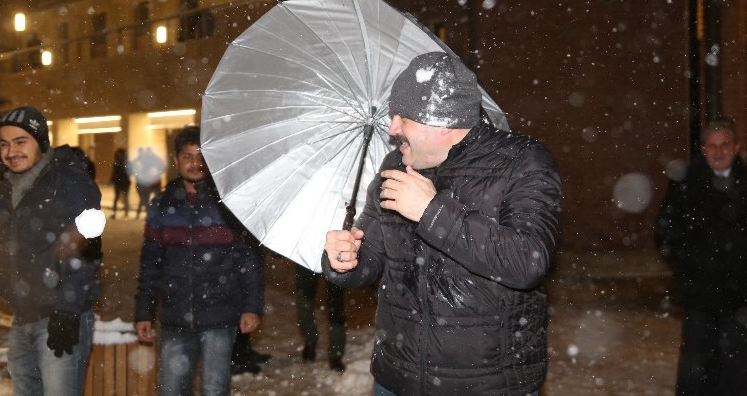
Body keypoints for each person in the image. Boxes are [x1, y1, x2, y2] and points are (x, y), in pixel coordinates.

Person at [322, 52, 561, 395]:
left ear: (443, 123)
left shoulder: (522, 163)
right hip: (396, 379)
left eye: (402, 118)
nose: (392, 129)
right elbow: (372, 256)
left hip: (487, 386)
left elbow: (528, 262)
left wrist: (431, 210)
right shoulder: (395, 164)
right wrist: (345, 260)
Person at [0, 106, 103, 395]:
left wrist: (67, 312)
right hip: (22, 319)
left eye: (20, 141)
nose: (10, 151)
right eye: (4, 144)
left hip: (60, 317)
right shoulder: (5, 191)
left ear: (40, 142)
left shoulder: (68, 183)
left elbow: (85, 253)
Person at [134, 125, 264, 396]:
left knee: (214, 390)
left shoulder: (229, 204)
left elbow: (248, 260)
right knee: (171, 390)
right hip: (175, 318)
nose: (195, 163)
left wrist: (252, 306)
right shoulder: (162, 206)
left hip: (220, 317)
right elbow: (150, 263)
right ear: (176, 160)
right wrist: (144, 311)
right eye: (187, 156)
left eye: (201, 156)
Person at [656, 119, 747, 395]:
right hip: (701, 292)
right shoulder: (686, 183)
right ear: (703, 149)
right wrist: (689, 263)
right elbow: (666, 229)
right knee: (697, 364)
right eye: (712, 146)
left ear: (736, 147)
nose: (718, 153)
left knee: (736, 365)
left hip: (741, 295)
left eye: (724, 145)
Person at [294, 263, 346, 371]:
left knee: (336, 303)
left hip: (335, 255)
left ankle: (336, 352)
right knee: (304, 299)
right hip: (307, 255)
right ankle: (310, 340)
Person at [131, 147, 164, 218]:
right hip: (150, 183)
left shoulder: (148, 160)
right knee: (145, 200)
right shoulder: (151, 160)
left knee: (145, 200)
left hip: (151, 183)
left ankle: (146, 214)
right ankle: (149, 214)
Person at [110, 148, 131, 219]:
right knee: (117, 198)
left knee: (125, 198)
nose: (120, 156)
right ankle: (114, 213)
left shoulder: (124, 163)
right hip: (119, 182)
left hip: (123, 182)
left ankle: (125, 213)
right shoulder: (118, 162)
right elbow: (114, 173)